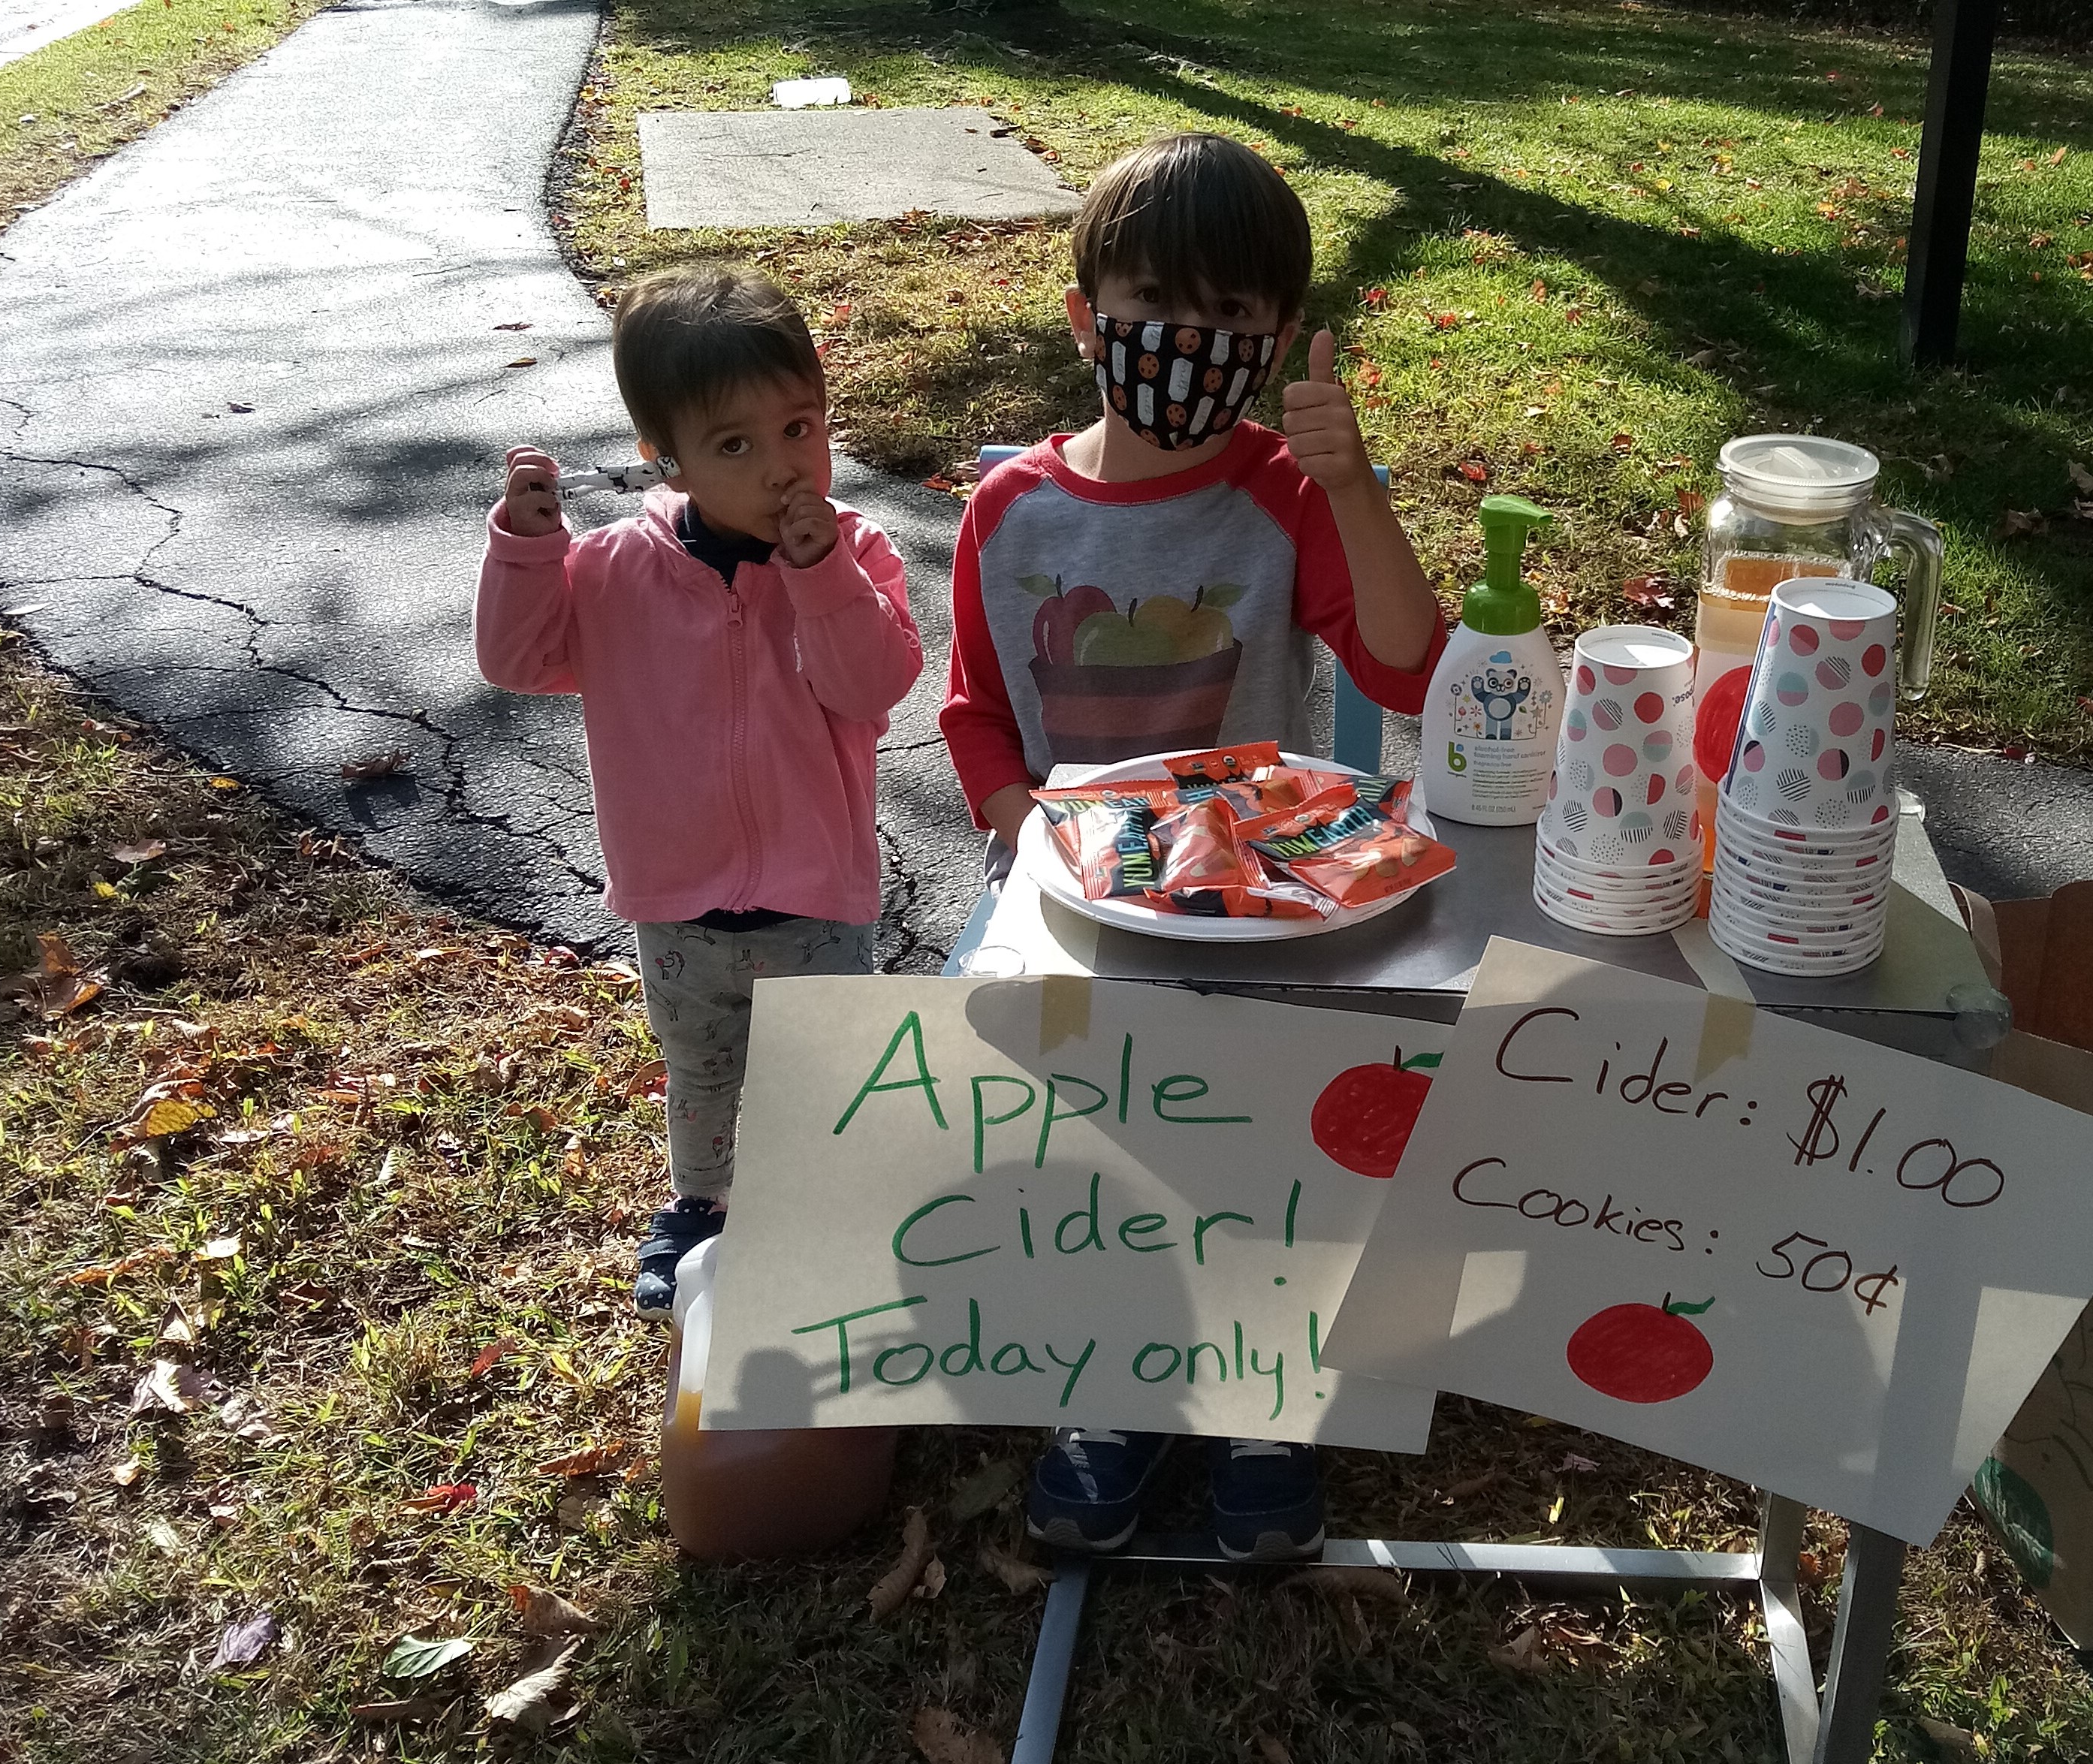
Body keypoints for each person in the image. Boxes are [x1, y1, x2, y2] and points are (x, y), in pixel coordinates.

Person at [939, 131, 1444, 1563]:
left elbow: (1407, 673)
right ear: (1083, 310)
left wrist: (1353, 486)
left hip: (1254, 899)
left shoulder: (1284, 495)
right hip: (1075, 895)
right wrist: (1019, 834)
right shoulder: (1010, 511)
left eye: (1231, 316)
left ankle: (1263, 1398)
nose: (1189, 339)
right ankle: (1113, 1383)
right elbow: (976, 713)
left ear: (1277, 335)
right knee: (1094, 1148)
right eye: (1155, 298)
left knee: (1262, 1143)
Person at [478, 264, 922, 1323]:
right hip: (676, 893)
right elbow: (519, 658)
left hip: (815, 892)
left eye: (799, 427)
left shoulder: (853, 552)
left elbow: (873, 684)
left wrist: (820, 580)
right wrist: (529, 551)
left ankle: (826, 1205)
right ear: (662, 456)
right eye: (735, 446)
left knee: (820, 1067)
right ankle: (702, 1208)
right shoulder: (612, 571)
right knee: (704, 1068)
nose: (782, 469)